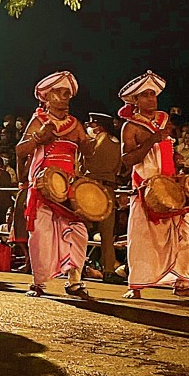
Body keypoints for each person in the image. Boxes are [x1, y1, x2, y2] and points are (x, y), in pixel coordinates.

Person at [119, 71, 189, 300]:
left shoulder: (164, 120)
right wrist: (152, 141)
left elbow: (166, 149)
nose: (152, 99)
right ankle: (136, 285)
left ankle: (182, 280)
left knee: (186, 232)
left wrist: (176, 160)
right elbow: (127, 160)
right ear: (135, 101)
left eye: (153, 95)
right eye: (145, 95)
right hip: (147, 188)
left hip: (171, 186)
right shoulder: (130, 127)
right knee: (143, 238)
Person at [16, 71, 92, 298]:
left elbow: (88, 151)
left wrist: (89, 144)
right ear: (46, 98)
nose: (64, 97)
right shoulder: (39, 120)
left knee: (78, 232)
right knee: (41, 233)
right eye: (58, 93)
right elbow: (20, 150)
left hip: (68, 186)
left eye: (67, 93)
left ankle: (74, 280)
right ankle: (39, 283)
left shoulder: (75, 124)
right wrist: (38, 137)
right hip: (44, 184)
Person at [84, 112, 123, 283]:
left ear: (99, 127)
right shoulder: (117, 144)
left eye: (92, 125)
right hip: (108, 190)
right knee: (107, 233)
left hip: (90, 189)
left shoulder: (91, 144)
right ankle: (108, 269)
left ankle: (76, 266)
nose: (89, 128)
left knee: (80, 229)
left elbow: (84, 164)